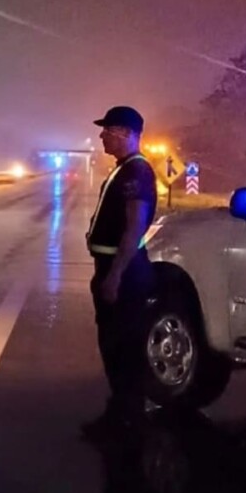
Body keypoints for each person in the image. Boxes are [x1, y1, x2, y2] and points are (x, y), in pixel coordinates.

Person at [82, 106, 158, 440]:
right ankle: (120, 413)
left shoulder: (136, 172)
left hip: (124, 273)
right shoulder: (125, 169)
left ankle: (128, 420)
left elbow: (134, 227)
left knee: (123, 347)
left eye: (109, 129)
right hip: (114, 268)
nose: (102, 135)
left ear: (127, 133)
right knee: (113, 345)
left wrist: (114, 276)